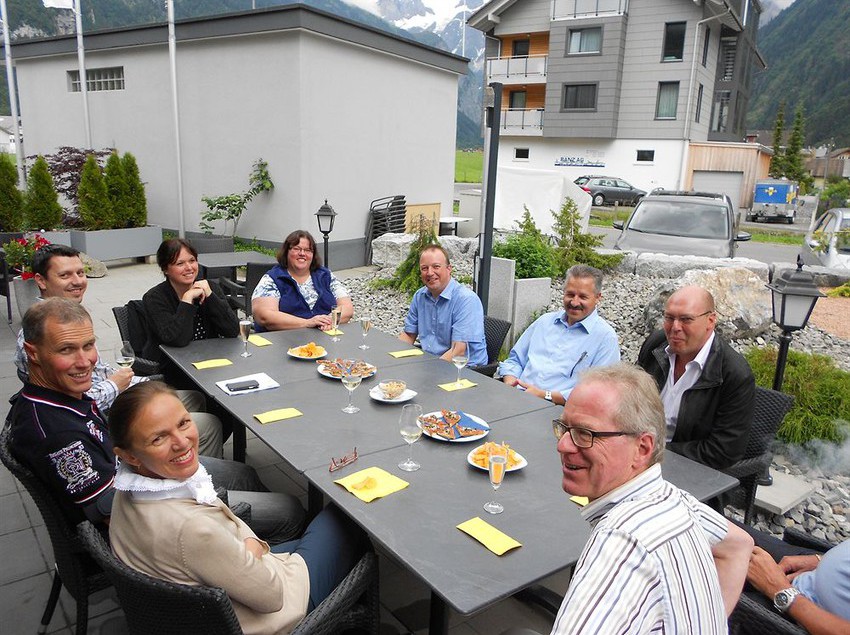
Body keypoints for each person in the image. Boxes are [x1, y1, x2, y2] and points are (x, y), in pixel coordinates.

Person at [8, 298, 305, 543]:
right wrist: (184, 487)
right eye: (66, 350)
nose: (86, 361)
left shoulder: (61, 394)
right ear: (33, 353)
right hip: (147, 517)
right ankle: (261, 569)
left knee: (243, 473)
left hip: (138, 472)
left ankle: (247, 532)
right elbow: (106, 509)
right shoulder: (53, 430)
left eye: (88, 345)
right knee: (291, 510)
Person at [108, 381, 370, 634]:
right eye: (158, 438)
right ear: (129, 455)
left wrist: (248, 551)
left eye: (184, 422)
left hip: (207, 593)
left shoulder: (129, 488)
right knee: (346, 515)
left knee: (314, 535)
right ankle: (349, 611)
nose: (182, 442)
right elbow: (273, 597)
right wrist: (252, 549)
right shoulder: (192, 529)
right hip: (268, 613)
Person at [550, 363, 753, 634]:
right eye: (564, 428)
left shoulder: (622, 541)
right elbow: (739, 545)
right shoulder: (674, 499)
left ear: (642, 448)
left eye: (585, 434)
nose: (562, 444)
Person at [13, 244, 225, 458]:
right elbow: (70, 406)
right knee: (210, 423)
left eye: (80, 273)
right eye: (65, 275)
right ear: (41, 281)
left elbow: (100, 372)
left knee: (195, 397)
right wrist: (116, 384)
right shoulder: (39, 334)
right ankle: (187, 473)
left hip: (116, 396)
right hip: (103, 419)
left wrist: (143, 383)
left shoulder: (67, 317)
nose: (77, 281)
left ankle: (191, 455)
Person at [636, 285, 756, 469]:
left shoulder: (733, 374)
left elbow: (723, 451)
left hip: (687, 470)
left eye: (686, 319)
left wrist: (654, 454)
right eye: (669, 318)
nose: (675, 328)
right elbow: (631, 400)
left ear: (710, 320)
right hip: (636, 454)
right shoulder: (656, 345)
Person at [498, 265, 619, 405]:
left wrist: (545, 395)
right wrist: (510, 383)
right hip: (516, 398)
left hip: (559, 412)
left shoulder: (605, 338)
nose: (574, 302)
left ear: (598, 298)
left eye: (583, 297)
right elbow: (515, 360)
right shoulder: (545, 322)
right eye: (570, 294)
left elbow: (599, 392)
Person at [142, 238, 240, 362]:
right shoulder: (154, 298)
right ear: (165, 269)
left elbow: (232, 330)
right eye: (180, 263)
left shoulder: (210, 287)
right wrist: (187, 299)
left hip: (211, 358)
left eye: (192, 261)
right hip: (172, 365)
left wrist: (210, 295)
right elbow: (178, 340)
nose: (189, 267)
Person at [744, 526, 850, 634]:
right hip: (810, 571)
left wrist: (781, 591)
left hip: (802, 617)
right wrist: (822, 561)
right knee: (730, 531)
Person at [399, 245, 486, 365]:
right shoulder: (420, 296)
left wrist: (429, 372)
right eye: (424, 268)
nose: (430, 273)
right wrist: (393, 360)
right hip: (431, 363)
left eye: (436, 267)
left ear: (449, 269)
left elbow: (458, 351)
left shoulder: (466, 300)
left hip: (464, 371)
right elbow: (409, 335)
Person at [251, 230, 353, 332]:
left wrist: (329, 320)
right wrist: (307, 323)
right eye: (296, 249)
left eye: (308, 250)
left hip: (324, 337)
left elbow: (347, 307)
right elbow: (265, 316)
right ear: (286, 252)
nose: (302, 254)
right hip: (283, 341)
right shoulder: (272, 278)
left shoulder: (325, 275)